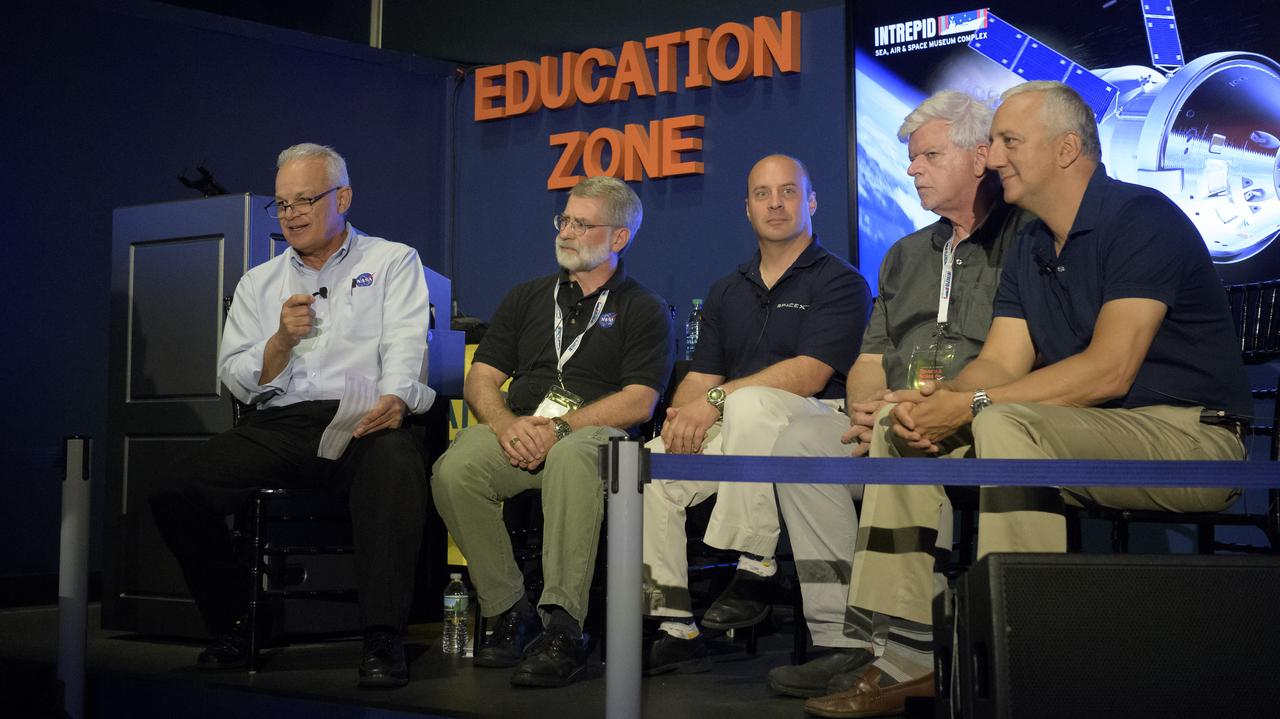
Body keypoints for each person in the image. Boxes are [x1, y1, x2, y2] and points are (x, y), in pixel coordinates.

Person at [804, 81, 1251, 718]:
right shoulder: (1034, 245)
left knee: (1007, 420)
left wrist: (975, 402)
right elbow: (998, 362)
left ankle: (1025, 659)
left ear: (1067, 149)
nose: (993, 157)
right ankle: (906, 654)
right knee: (901, 429)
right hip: (1082, 430)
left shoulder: (1141, 219)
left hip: (1190, 439)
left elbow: (1109, 370)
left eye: (1009, 142)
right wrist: (934, 403)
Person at [763, 91, 1033, 700]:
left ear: (978, 158)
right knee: (802, 440)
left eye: (929, 155)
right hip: (891, 413)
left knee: (894, 431)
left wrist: (906, 412)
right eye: (911, 159)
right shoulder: (905, 254)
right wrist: (865, 405)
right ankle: (845, 640)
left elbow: (1022, 360)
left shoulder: (1027, 241)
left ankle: (908, 649)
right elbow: (867, 357)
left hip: (977, 415)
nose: (912, 169)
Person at [150, 143, 434, 689]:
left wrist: (395, 399)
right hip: (282, 425)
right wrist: (280, 342)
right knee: (173, 487)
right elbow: (234, 377)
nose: (292, 214)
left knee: (396, 464)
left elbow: (405, 346)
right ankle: (235, 621)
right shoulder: (260, 282)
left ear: (343, 197)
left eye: (305, 199)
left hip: (364, 420)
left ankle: (382, 636)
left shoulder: (392, 260)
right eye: (281, 204)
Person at [432, 176, 674, 688]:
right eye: (564, 220)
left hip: (598, 440)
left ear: (619, 238)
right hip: (523, 430)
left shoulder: (642, 307)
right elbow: (482, 377)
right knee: (457, 465)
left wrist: (559, 428)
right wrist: (504, 424)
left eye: (583, 224)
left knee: (569, 454)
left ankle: (565, 627)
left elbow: (639, 400)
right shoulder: (526, 297)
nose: (567, 232)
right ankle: (508, 609)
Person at [642, 154, 871, 674]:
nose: (775, 203)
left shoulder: (840, 281)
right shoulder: (728, 288)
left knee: (746, 402)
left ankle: (755, 565)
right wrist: (681, 415)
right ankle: (674, 622)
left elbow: (812, 374)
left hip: (817, 424)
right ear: (746, 207)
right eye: (762, 194)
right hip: (741, 425)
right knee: (651, 468)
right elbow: (703, 377)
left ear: (811, 202)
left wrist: (717, 401)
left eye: (788, 191)